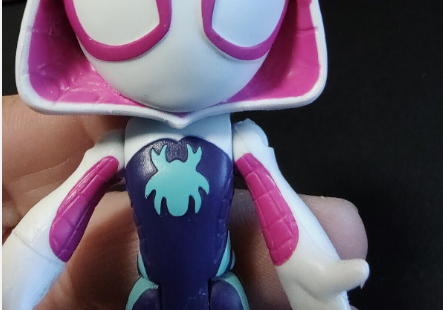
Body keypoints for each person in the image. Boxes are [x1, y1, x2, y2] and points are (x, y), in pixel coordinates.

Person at [2, 94, 368, 310]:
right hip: (149, 293)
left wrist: (314, 271)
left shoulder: (240, 141)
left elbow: (277, 205)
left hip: (221, 290)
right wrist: (18, 273)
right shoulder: (117, 146)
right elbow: (66, 210)